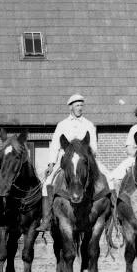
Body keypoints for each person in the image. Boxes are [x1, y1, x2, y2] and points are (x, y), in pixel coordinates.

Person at [40, 94, 98, 231]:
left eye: (81, 105)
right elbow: (55, 145)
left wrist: (88, 157)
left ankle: (109, 216)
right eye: (77, 105)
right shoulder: (62, 124)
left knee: (109, 179)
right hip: (66, 161)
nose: (80, 108)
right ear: (70, 107)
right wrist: (51, 164)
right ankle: (46, 219)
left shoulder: (89, 124)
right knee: (47, 184)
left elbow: (94, 147)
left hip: (85, 161)